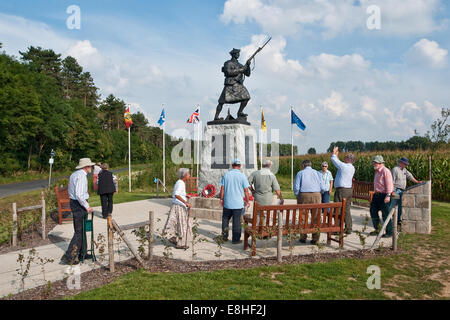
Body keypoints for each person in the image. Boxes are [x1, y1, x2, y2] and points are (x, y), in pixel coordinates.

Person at [60, 158, 95, 265]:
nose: (91, 168)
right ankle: (69, 256)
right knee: (79, 231)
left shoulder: (74, 174)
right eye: (90, 166)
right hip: (79, 204)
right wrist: (87, 206)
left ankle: (82, 252)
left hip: (75, 203)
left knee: (82, 229)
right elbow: (79, 194)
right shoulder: (81, 177)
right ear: (86, 167)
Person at [294, 159, 326, 244]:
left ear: (303, 165)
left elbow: (296, 188)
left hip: (304, 195)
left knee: (303, 216)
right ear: (310, 165)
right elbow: (323, 187)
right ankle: (315, 238)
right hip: (316, 195)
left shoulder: (300, 173)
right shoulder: (318, 173)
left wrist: (298, 196)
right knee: (316, 216)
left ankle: (303, 237)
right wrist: (319, 193)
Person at [214, 48, 251, 120]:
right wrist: (241, 70)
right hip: (230, 84)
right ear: (233, 54)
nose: (238, 55)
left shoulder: (240, 64)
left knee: (247, 97)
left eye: (239, 54)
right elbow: (228, 72)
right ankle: (216, 116)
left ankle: (239, 112)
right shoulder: (228, 63)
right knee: (221, 102)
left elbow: (247, 74)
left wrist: (248, 65)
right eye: (237, 54)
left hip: (238, 85)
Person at [220, 159, 251, 244]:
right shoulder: (242, 176)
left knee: (225, 219)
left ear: (232, 165)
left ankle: (224, 237)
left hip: (227, 202)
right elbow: (246, 190)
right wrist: (247, 201)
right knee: (237, 221)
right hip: (237, 203)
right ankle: (235, 239)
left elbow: (222, 188)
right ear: (240, 166)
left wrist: (221, 199)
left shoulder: (226, 175)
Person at [162, 168, 192, 249]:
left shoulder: (180, 182)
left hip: (177, 205)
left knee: (177, 223)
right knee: (181, 224)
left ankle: (173, 238)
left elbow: (178, 194)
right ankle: (180, 243)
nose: (189, 175)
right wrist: (186, 203)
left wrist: (185, 196)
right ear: (184, 175)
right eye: (188, 174)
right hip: (179, 206)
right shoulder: (181, 183)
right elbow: (176, 195)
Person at [390, 157, 423, 226]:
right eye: (405, 164)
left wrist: (417, 182)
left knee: (400, 206)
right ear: (401, 163)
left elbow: (410, 176)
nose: (406, 165)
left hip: (402, 191)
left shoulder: (404, 170)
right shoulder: (395, 169)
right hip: (396, 190)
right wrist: (393, 191)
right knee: (393, 205)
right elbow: (391, 181)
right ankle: (389, 220)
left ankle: (398, 220)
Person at [331, 146, 355, 234]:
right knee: (347, 209)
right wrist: (337, 155)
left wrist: (334, 153)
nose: (344, 159)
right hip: (349, 190)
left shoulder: (344, 167)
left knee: (337, 208)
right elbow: (339, 163)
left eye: (346, 158)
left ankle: (337, 228)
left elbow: (335, 161)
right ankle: (348, 228)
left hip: (342, 190)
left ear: (348, 159)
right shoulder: (351, 167)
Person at [369, 155, 394, 238]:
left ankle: (389, 232)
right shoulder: (377, 171)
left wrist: (388, 195)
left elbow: (389, 184)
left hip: (384, 195)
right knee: (373, 211)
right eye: (373, 162)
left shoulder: (385, 171)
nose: (373, 163)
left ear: (380, 163)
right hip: (376, 195)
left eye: (375, 162)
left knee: (385, 214)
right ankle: (378, 229)